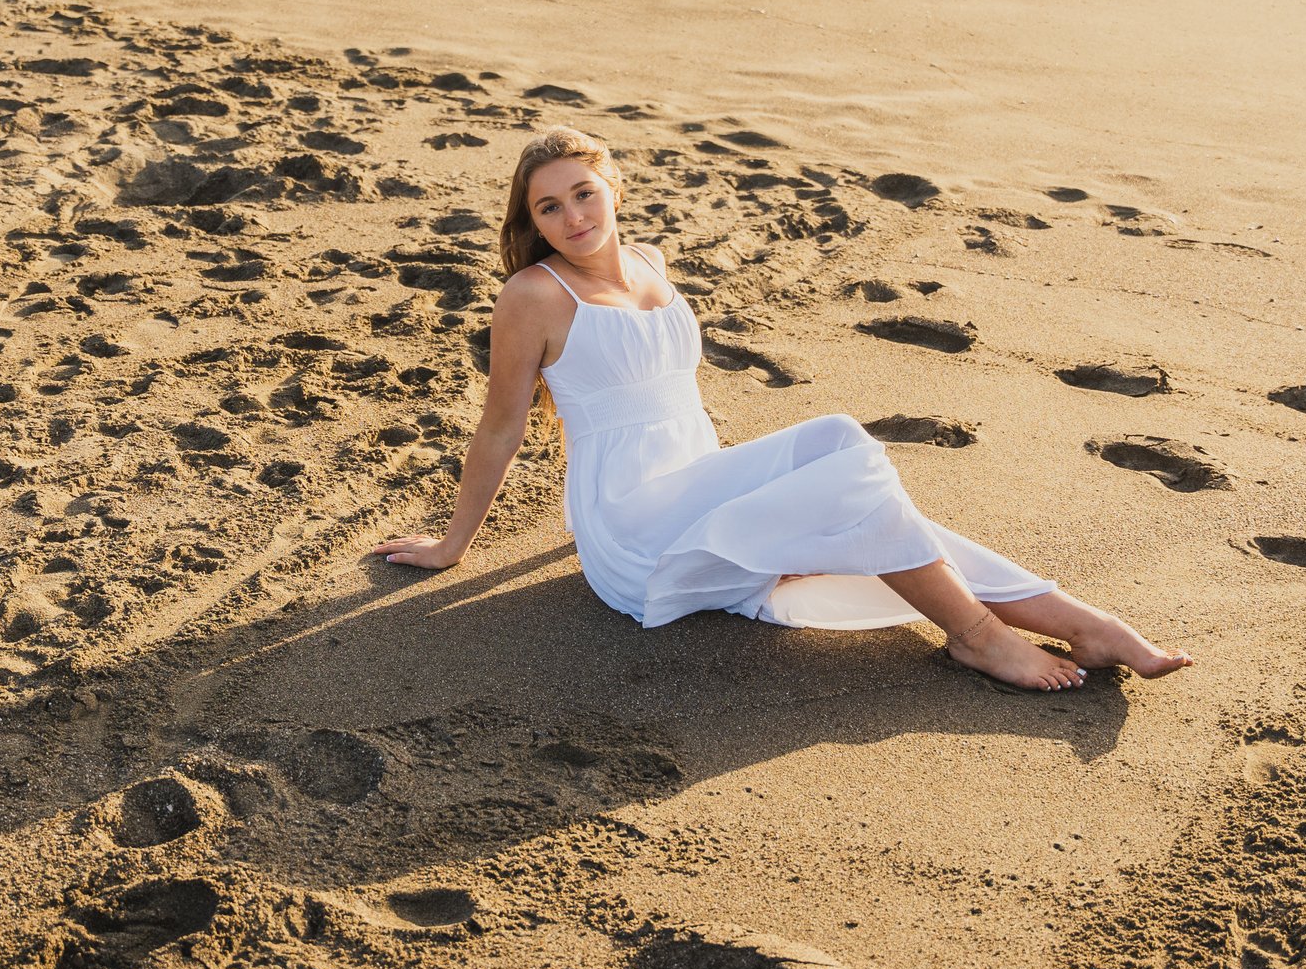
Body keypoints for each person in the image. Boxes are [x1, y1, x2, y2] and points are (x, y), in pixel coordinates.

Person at [371, 126, 1193, 691]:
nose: (572, 218)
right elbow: (501, 428)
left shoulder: (653, 261)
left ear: (614, 187)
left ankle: (1081, 622)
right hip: (630, 527)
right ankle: (981, 633)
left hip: (697, 481)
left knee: (853, 493)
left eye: (583, 194)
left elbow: (672, 397)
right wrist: (451, 545)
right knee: (838, 441)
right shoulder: (530, 296)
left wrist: (764, 506)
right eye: (548, 208)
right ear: (533, 221)